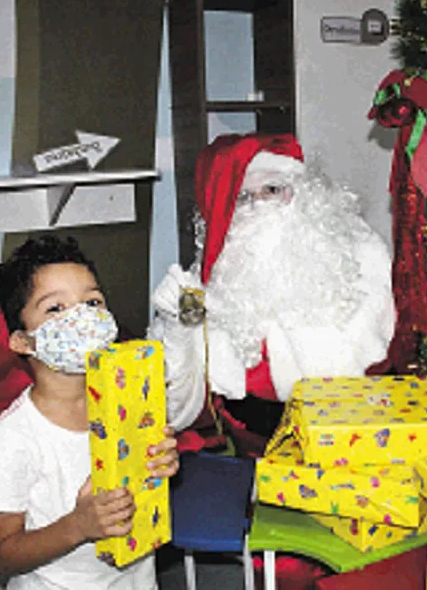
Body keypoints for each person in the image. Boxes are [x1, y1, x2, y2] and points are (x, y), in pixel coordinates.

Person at [149, 133, 405, 454]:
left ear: (302, 194)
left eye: (272, 190)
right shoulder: (199, 288)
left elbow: (401, 356)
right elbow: (178, 412)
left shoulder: (361, 257)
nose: (259, 206)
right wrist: (177, 329)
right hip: (257, 454)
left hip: (355, 442)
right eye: (242, 198)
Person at [0, 235, 179, 589]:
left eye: (92, 301)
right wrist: (78, 526)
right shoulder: (11, 437)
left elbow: (142, 490)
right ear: (22, 341)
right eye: (55, 308)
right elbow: (2, 555)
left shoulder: (130, 404)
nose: (82, 317)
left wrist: (160, 465)